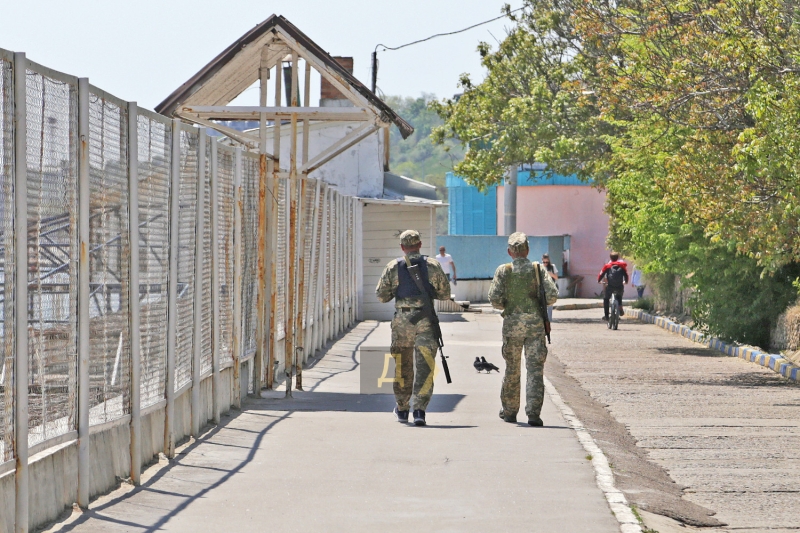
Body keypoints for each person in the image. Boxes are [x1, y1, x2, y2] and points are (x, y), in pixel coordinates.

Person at [375, 230, 451, 426]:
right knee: (425, 367)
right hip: (425, 321)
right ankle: (419, 411)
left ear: (402, 247)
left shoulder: (394, 267)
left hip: (402, 324)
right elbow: (444, 294)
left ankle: (402, 409)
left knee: (402, 365)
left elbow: (382, 296)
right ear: (419, 244)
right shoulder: (432, 265)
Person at [488, 232, 559, 426]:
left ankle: (510, 412)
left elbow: (494, 299)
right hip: (535, 327)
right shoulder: (537, 269)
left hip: (512, 327)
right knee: (535, 370)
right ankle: (533, 414)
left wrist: (509, 306)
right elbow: (552, 296)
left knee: (512, 369)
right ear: (527, 250)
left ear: (509, 251)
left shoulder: (504, 270)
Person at [597, 252, 629, 321]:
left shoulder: (607, 266)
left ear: (610, 258)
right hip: (619, 286)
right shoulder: (622, 266)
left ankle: (606, 316)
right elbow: (626, 275)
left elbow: (601, 274)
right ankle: (620, 307)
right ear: (617, 258)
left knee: (606, 299)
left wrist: (599, 280)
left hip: (610, 286)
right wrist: (626, 282)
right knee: (619, 296)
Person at [542, 253, 558, 322]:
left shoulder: (552, 267)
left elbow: (556, 277)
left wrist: (550, 274)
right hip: (543, 288)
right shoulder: (540, 267)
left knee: (550, 305)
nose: (545, 263)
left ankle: (549, 320)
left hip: (551, 288)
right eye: (544, 262)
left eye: (546, 262)